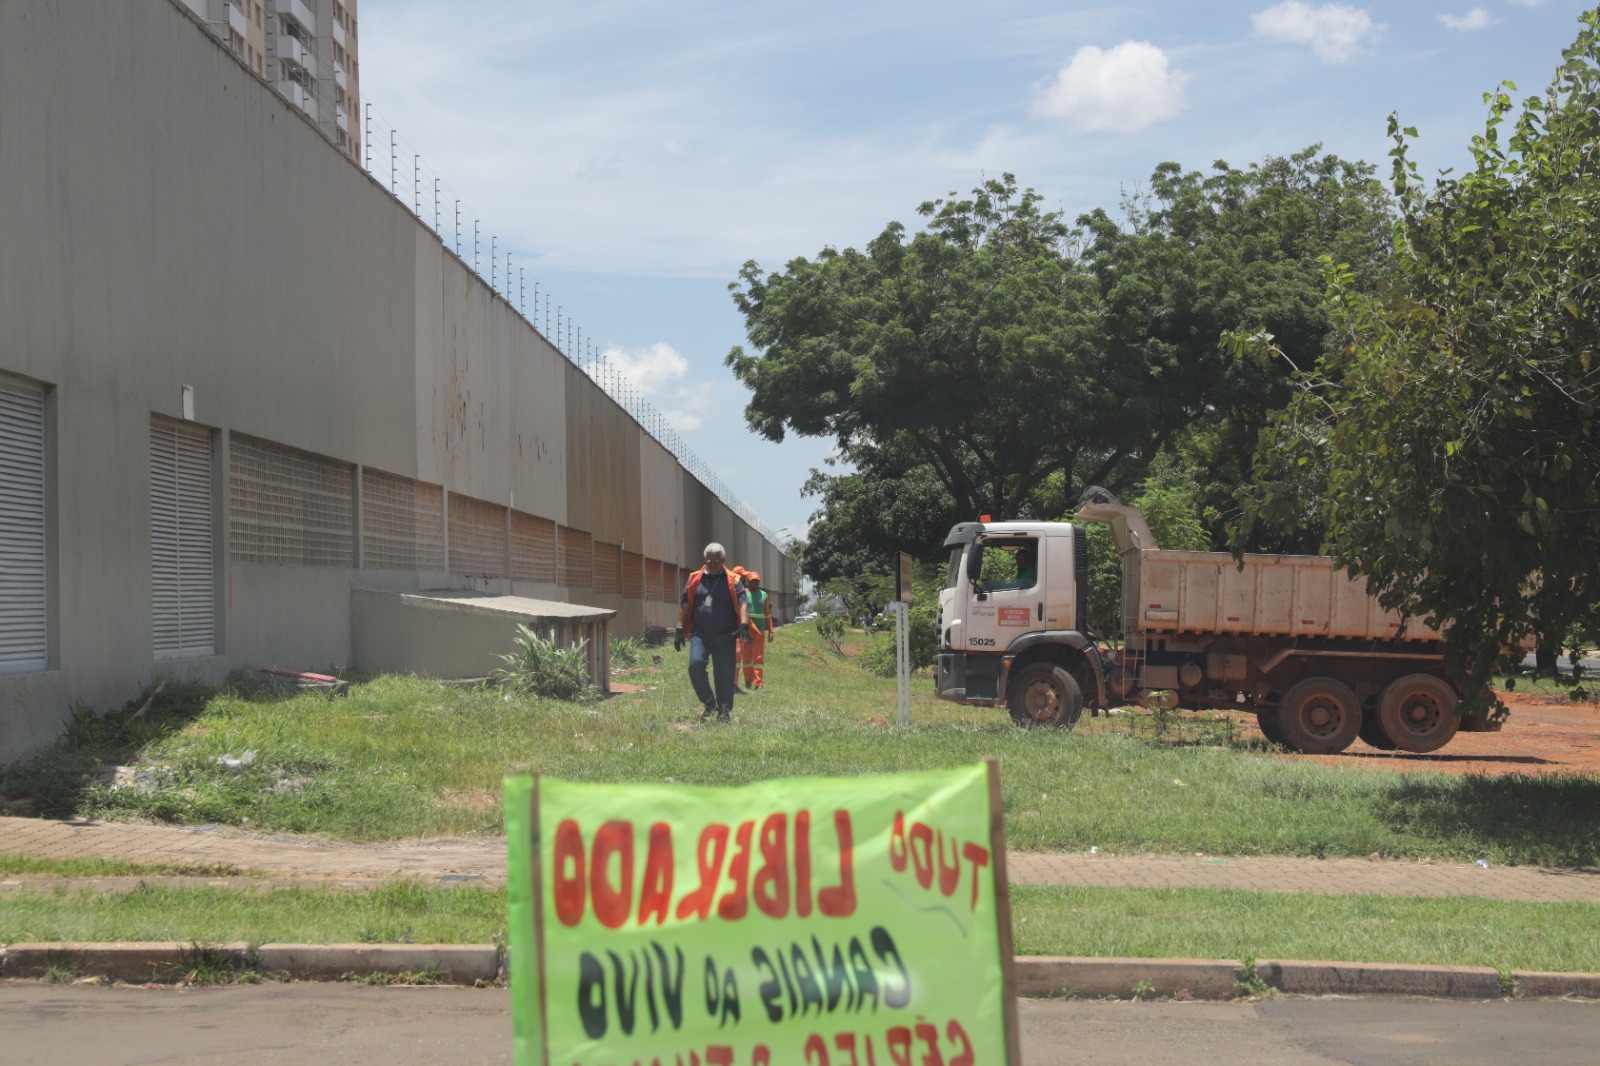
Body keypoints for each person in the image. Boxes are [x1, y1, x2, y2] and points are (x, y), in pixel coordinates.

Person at [675, 543, 750, 721]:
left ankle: (724, 712)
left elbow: (743, 603)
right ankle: (709, 701)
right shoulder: (695, 578)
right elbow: (685, 604)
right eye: (709, 560)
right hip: (700, 634)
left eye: (716, 561)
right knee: (695, 665)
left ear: (723, 560)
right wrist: (679, 628)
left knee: (724, 674)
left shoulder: (734, 580)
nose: (712, 564)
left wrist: (744, 623)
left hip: (726, 635)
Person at [741, 571, 776, 691]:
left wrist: (771, 630)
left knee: (758, 657)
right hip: (747, 630)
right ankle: (748, 680)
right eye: (753, 581)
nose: (755, 583)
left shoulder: (764, 595)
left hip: (759, 631)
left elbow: (767, 614)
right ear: (749, 581)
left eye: (757, 581)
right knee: (746, 657)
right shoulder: (744, 594)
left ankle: (759, 683)